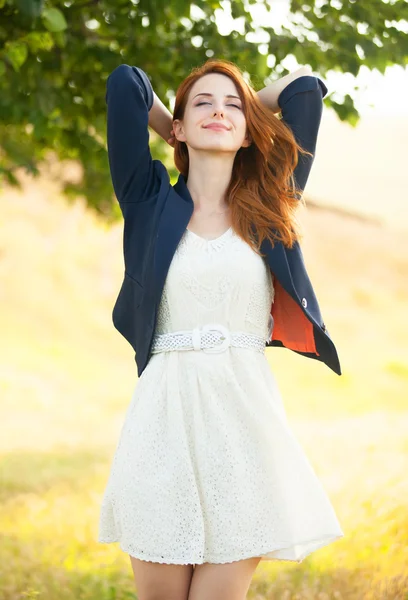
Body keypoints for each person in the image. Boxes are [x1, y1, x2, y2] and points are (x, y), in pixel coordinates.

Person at [98, 58, 344, 600]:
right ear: (178, 127)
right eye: (203, 103)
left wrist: (233, 109)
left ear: (250, 129)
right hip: (163, 420)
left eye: (234, 106)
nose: (220, 110)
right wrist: (180, 126)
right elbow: (127, 84)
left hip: (245, 421)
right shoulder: (148, 201)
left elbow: (305, 91)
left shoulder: (271, 201)